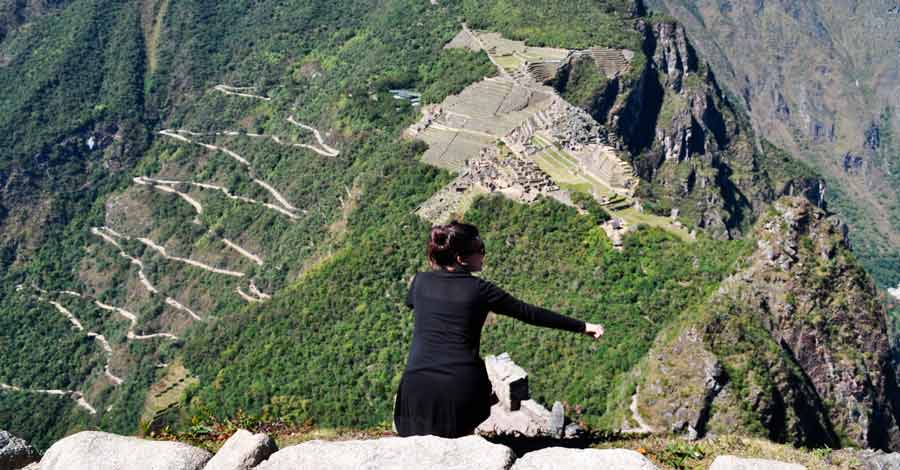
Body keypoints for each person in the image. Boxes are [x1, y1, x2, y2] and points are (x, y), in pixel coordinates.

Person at [394, 221, 605, 438]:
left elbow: (414, 304)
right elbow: (530, 313)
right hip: (458, 390)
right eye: (480, 250)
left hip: (414, 391)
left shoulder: (419, 282)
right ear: (461, 259)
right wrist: (582, 327)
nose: (484, 255)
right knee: (461, 432)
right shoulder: (481, 290)